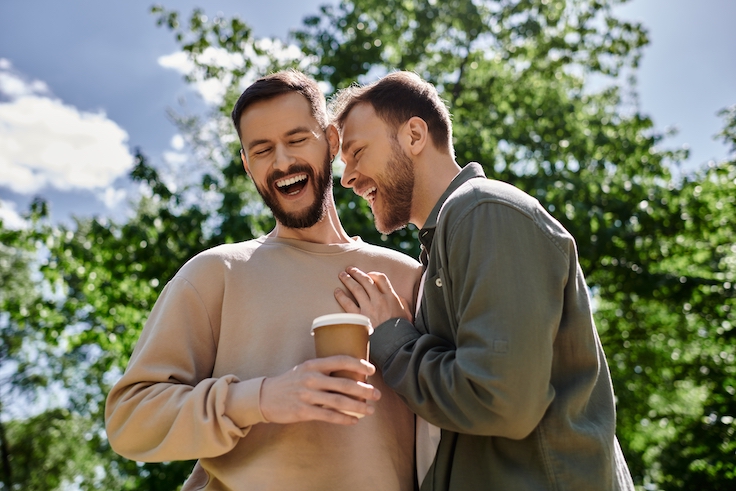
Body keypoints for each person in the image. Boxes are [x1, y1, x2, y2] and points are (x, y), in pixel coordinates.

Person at [105, 70, 421, 491]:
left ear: (330, 142)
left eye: (296, 140)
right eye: (262, 149)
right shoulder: (216, 274)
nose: (282, 162)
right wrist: (261, 399)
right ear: (247, 165)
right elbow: (131, 422)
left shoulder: (410, 279)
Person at [330, 71, 635, 490]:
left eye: (357, 152)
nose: (346, 178)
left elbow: (500, 401)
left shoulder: (483, 210)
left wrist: (393, 340)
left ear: (415, 135)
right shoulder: (446, 242)